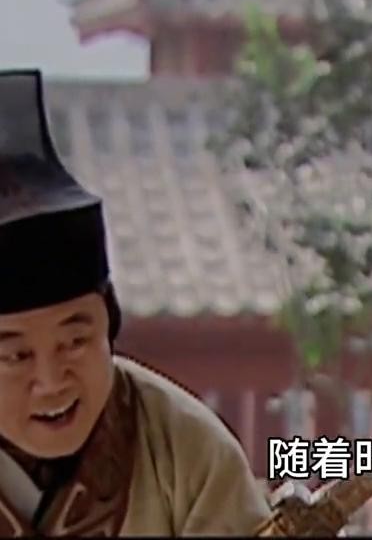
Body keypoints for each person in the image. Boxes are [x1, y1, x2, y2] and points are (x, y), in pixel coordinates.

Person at [0, 69, 271, 536]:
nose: (51, 381)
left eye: (75, 341)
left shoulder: (186, 451)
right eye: (15, 356)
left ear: (110, 324)